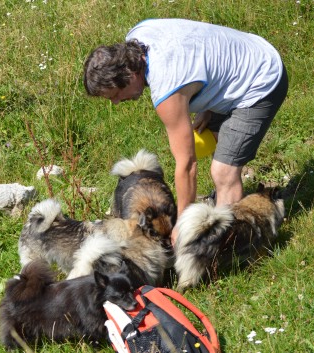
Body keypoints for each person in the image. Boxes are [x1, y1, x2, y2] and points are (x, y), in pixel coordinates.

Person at [83, 18, 288, 244]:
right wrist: (207, 104)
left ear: (129, 76)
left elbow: (187, 165)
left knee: (223, 172)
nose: (116, 103)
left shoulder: (167, 87)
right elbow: (197, 53)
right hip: (246, 53)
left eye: (114, 95)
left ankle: (224, 248)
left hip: (261, 80)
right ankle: (225, 210)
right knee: (220, 143)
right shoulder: (138, 37)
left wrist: (182, 225)